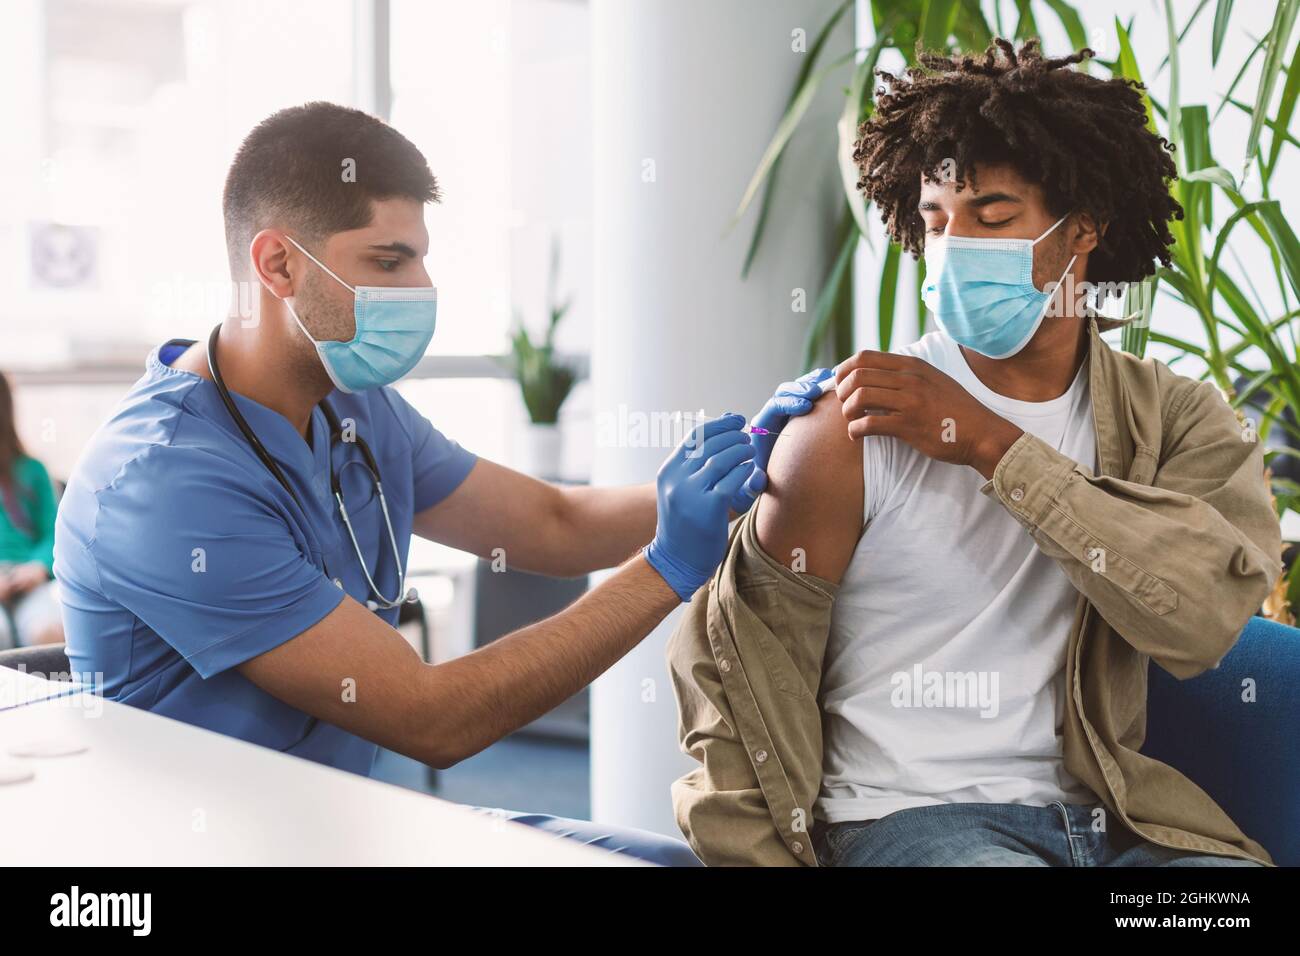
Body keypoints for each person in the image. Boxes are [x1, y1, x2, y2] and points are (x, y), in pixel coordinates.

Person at [53, 101, 828, 866]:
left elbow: (551, 523)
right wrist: (666, 567)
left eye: (420, 258)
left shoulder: (351, 404)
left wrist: (745, 473)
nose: (422, 288)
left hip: (350, 830)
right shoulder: (161, 480)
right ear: (278, 265)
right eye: (389, 262)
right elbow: (436, 718)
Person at [667, 39, 1282, 867]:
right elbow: (737, 676)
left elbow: (1206, 614)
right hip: (911, 820)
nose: (955, 246)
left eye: (991, 218)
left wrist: (990, 443)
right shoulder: (847, 427)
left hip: (1111, 823)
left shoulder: (1172, 419)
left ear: (1082, 235)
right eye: (935, 220)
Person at [0, 373, 63, 648]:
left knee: (46, 631)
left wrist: (38, 568)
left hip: (29, 577)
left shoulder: (33, 470)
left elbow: (56, 534)